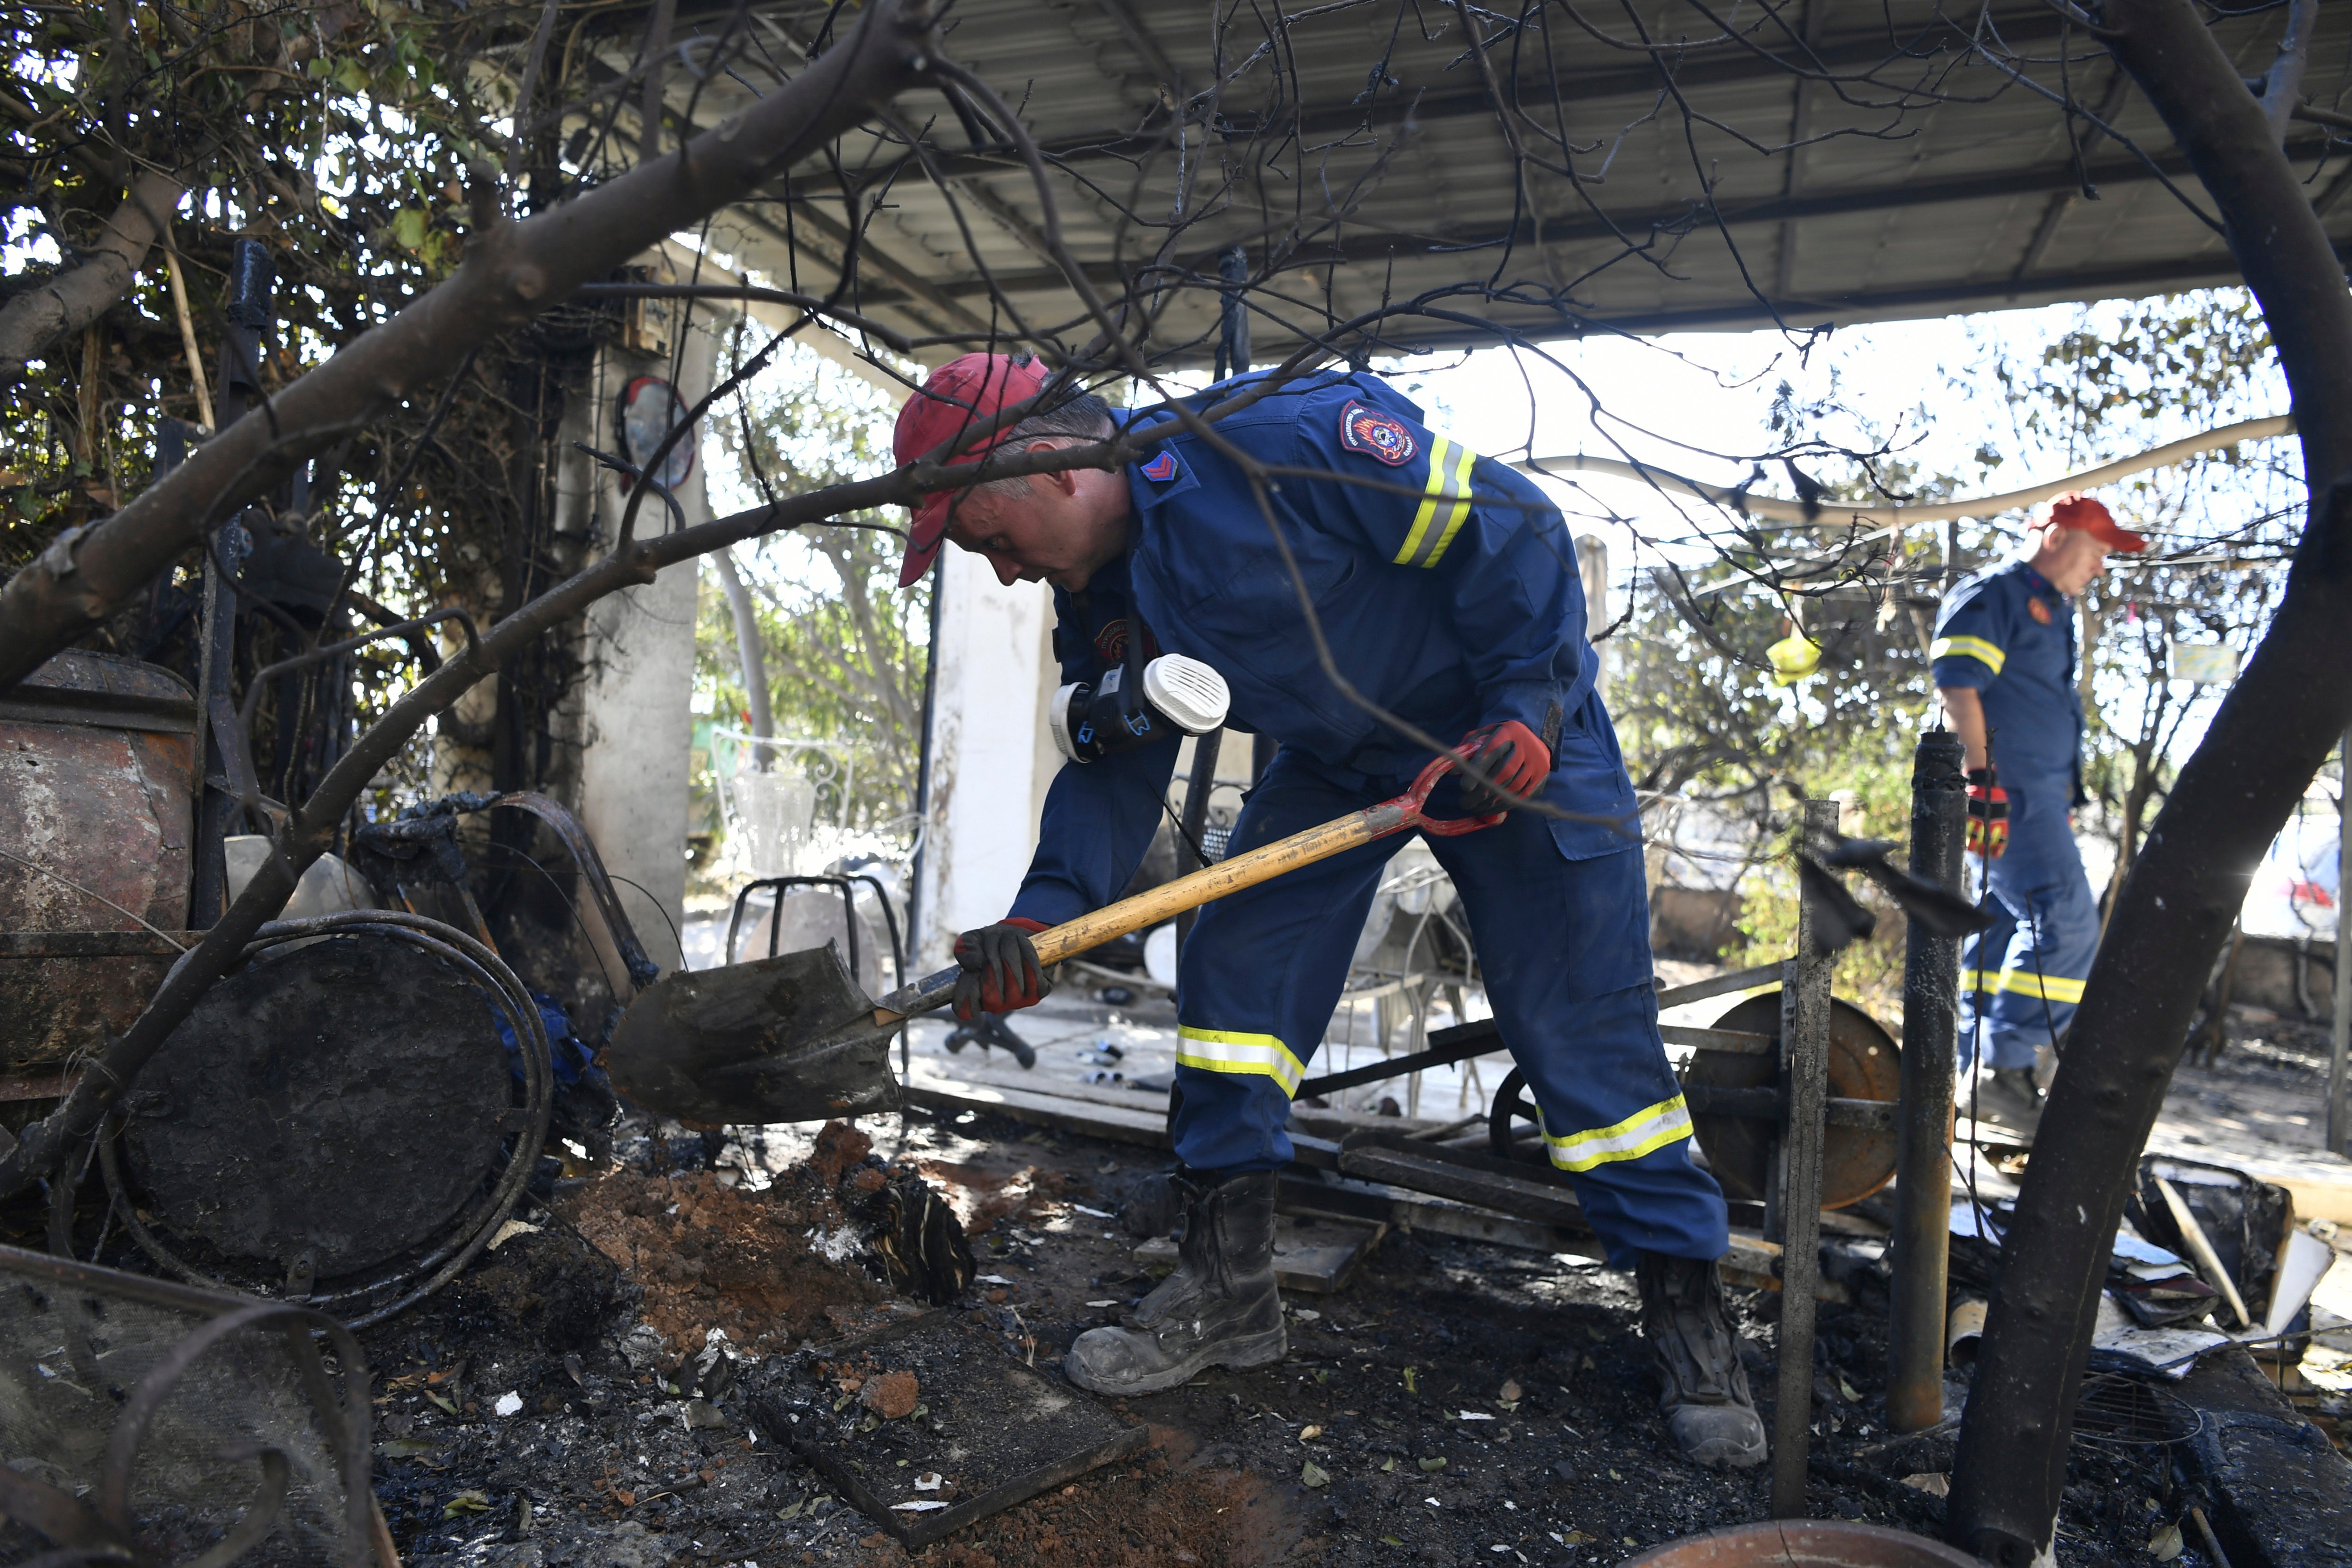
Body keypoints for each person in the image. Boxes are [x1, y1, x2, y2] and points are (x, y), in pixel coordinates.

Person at [890, 352, 1764, 1470]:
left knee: (1583, 1036)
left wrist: (1527, 703)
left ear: (1050, 465)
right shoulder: (1095, 593)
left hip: (1506, 734)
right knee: (1235, 976)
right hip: (1341, 759)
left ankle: (1689, 1318)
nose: (1006, 574)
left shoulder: (1277, 443)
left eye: (989, 539)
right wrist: (1046, 911)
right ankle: (1228, 1290)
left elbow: (1517, 528)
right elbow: (1116, 760)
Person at [1930, 492, 2145, 1138]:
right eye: (2098, 552)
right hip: (2008, 793)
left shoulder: (2053, 612)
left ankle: (1969, 1071)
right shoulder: (1998, 592)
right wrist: (1981, 778)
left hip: (2034, 796)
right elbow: (1957, 679)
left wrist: (2061, 801)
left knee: (1997, 931)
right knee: (2069, 924)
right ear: (2056, 537)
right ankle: (2004, 1068)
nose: (2102, 569)